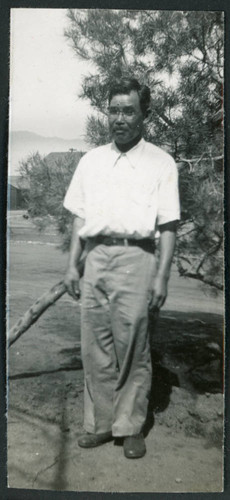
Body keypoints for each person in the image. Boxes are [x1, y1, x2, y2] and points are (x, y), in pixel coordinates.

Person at [63, 77, 180, 459]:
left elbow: (167, 226)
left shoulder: (160, 162)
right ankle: (100, 423)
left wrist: (161, 276)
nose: (120, 118)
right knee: (94, 345)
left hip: (137, 259)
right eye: (114, 110)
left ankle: (130, 426)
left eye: (128, 110)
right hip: (95, 257)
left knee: (132, 344)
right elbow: (79, 219)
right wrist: (72, 266)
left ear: (144, 113)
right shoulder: (91, 160)